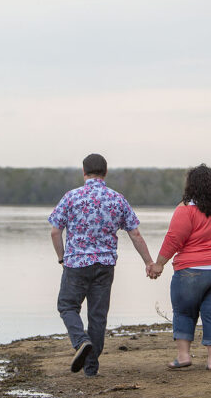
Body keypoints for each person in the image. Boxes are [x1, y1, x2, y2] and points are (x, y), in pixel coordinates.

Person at [49, 153, 155, 377]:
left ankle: (80, 341)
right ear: (105, 173)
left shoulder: (71, 197)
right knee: (98, 316)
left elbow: (55, 231)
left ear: (84, 172)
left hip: (76, 263)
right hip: (105, 264)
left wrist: (62, 258)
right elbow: (135, 233)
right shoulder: (117, 199)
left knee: (67, 306)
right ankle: (91, 368)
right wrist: (148, 262)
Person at [147, 164, 211, 371]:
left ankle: (184, 356)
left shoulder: (185, 209)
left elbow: (174, 239)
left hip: (191, 271)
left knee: (184, 312)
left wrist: (159, 264)